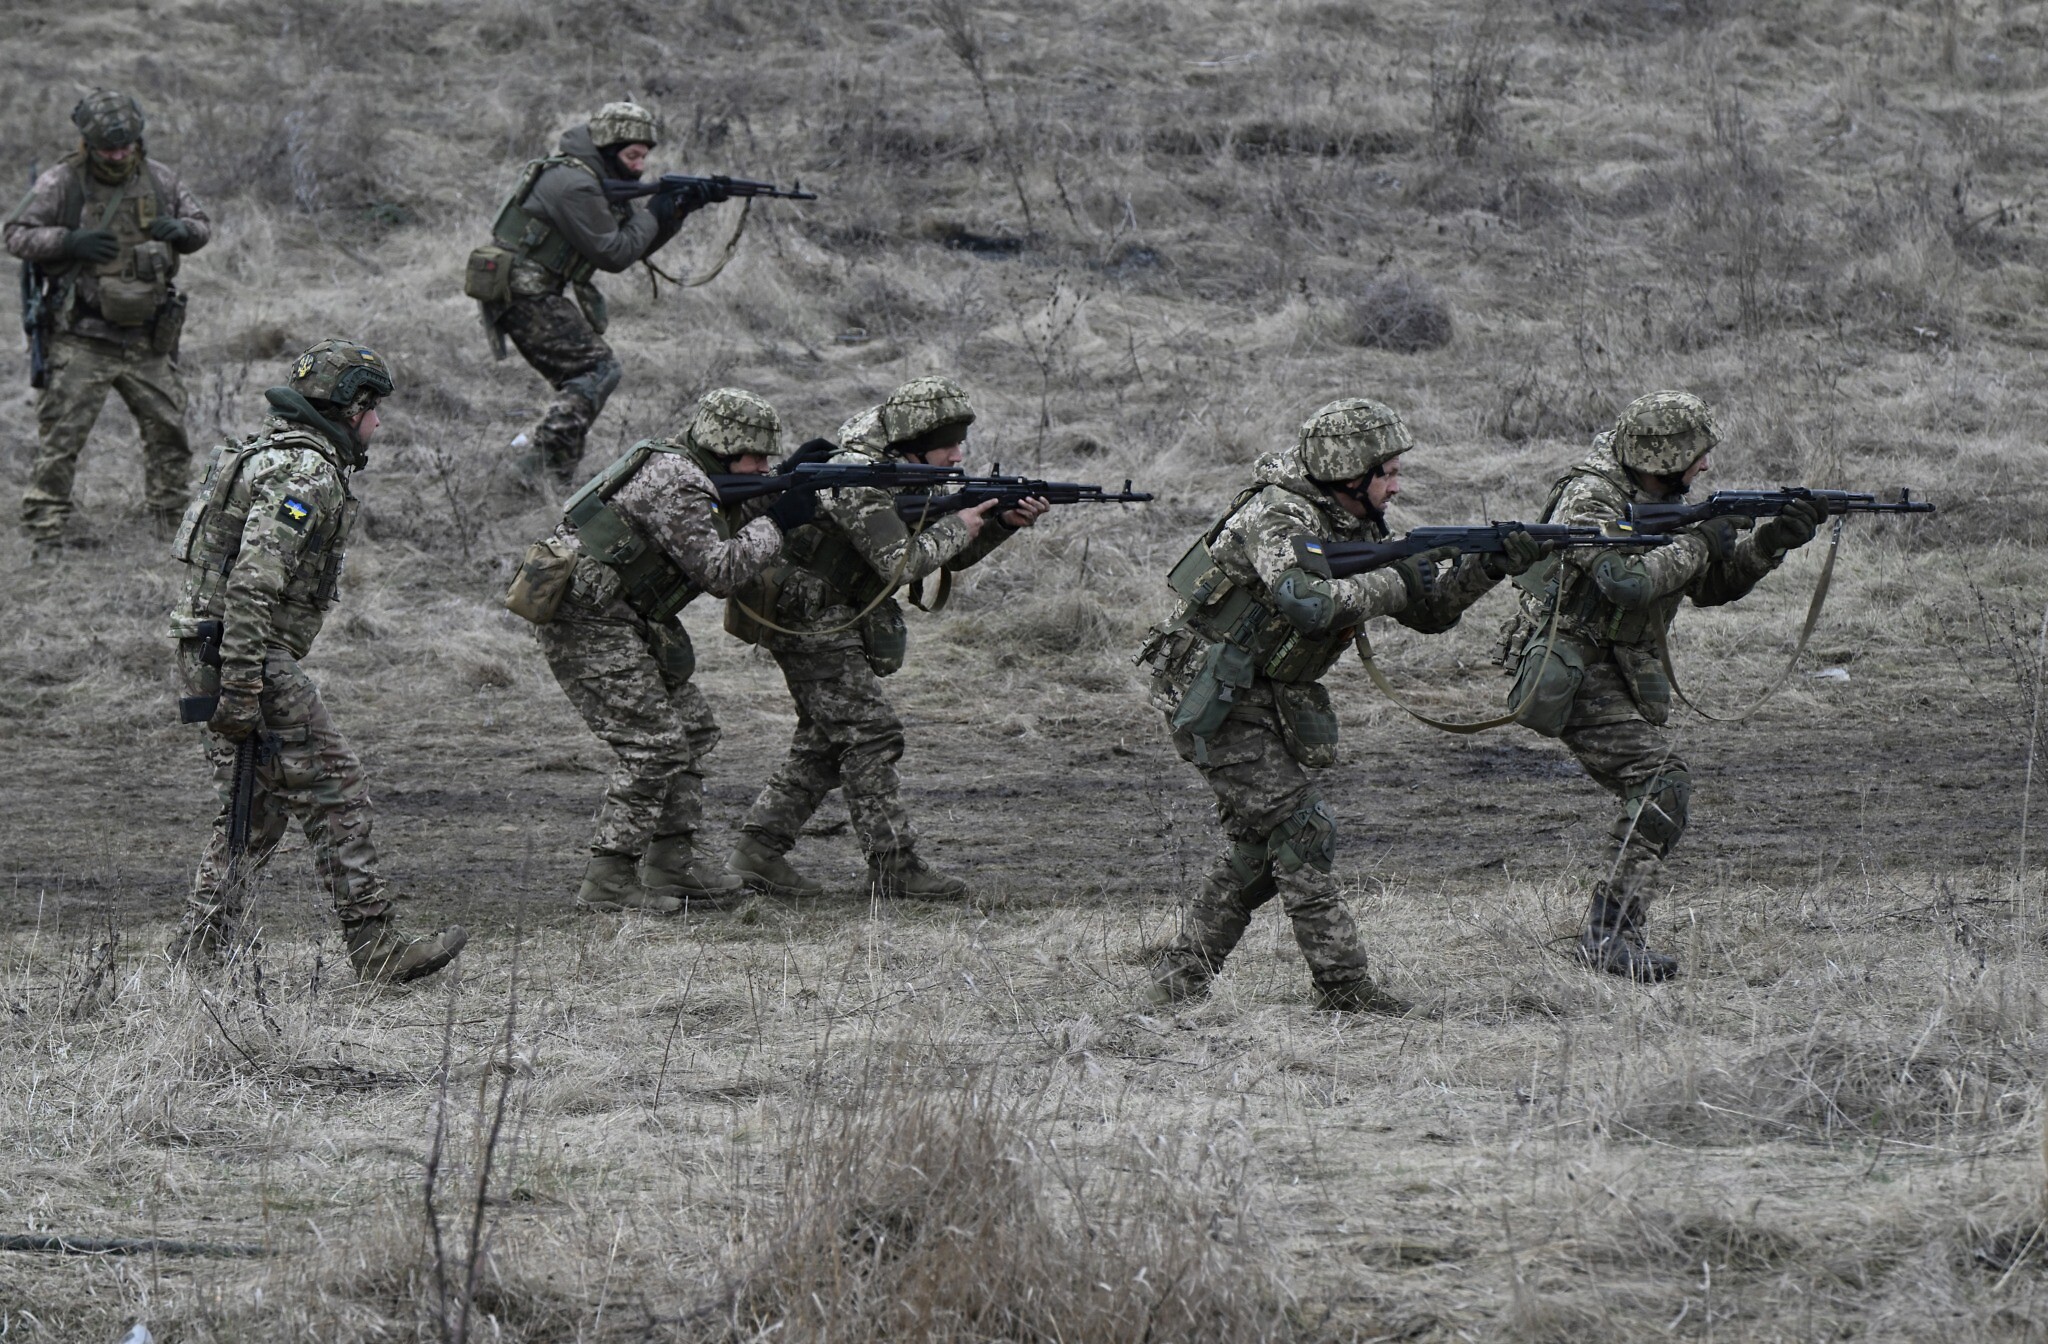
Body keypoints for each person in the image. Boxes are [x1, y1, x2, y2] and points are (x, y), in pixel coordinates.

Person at [1135, 398, 1540, 1012]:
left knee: (1264, 850)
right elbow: (1310, 603)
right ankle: (1343, 988)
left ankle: (1179, 979)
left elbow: (1427, 612)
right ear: (1351, 472)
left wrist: (1488, 567)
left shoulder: (1357, 522)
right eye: (1389, 472)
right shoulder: (1278, 513)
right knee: (1303, 830)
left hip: (1270, 695)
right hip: (1213, 696)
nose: (1398, 484)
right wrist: (1399, 578)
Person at [166, 340, 467, 983]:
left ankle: (197, 958)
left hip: (214, 653)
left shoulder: (271, 455)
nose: (378, 425)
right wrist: (245, 689)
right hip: (244, 652)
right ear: (349, 407)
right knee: (334, 785)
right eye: (373, 410)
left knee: (256, 807)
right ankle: (376, 946)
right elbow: (252, 584)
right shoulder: (306, 473)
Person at [1496, 390, 1823, 982]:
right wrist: (1703, 539)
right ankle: (1609, 938)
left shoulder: (1662, 497)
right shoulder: (1588, 497)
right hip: (1569, 663)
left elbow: (1712, 585)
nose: (1704, 468)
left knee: (1659, 785)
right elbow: (1627, 582)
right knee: (1660, 782)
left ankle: (1613, 932)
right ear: (1662, 455)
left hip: (1618, 665)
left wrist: (1770, 544)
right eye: (1695, 455)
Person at [723, 376, 1048, 900]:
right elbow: (902, 563)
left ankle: (757, 854)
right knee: (871, 733)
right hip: (808, 614)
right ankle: (894, 866)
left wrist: (999, 522)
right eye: (948, 444)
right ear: (914, 444)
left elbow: (941, 548)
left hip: (835, 612)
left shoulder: (901, 466)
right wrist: (961, 523)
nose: (957, 454)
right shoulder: (856, 477)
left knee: (828, 741)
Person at [521, 388, 812, 913]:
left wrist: (794, 475)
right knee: (653, 745)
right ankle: (609, 876)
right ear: (725, 449)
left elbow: (731, 509)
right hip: (587, 622)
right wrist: (781, 521)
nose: (763, 467)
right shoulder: (677, 482)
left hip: (623, 617)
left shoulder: (682, 463)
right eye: (758, 458)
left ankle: (671, 864)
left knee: (693, 728)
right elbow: (719, 571)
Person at [4, 90, 209, 561]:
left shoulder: (159, 179)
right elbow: (16, 234)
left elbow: (200, 223)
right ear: (88, 145)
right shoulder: (62, 183)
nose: (118, 156)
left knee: (169, 434)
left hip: (147, 339)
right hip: (83, 337)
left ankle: (169, 523)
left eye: (125, 147)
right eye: (107, 149)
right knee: (61, 440)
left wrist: (183, 233)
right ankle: (45, 534)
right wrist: (69, 241)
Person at [472, 101, 709, 485]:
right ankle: (541, 468)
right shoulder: (575, 183)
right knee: (594, 369)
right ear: (607, 148)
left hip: (530, 288)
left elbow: (632, 244)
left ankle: (547, 462)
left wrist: (675, 212)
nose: (640, 166)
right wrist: (655, 208)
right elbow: (614, 254)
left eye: (645, 156)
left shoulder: (589, 176)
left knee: (587, 373)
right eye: (633, 156)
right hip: (524, 290)